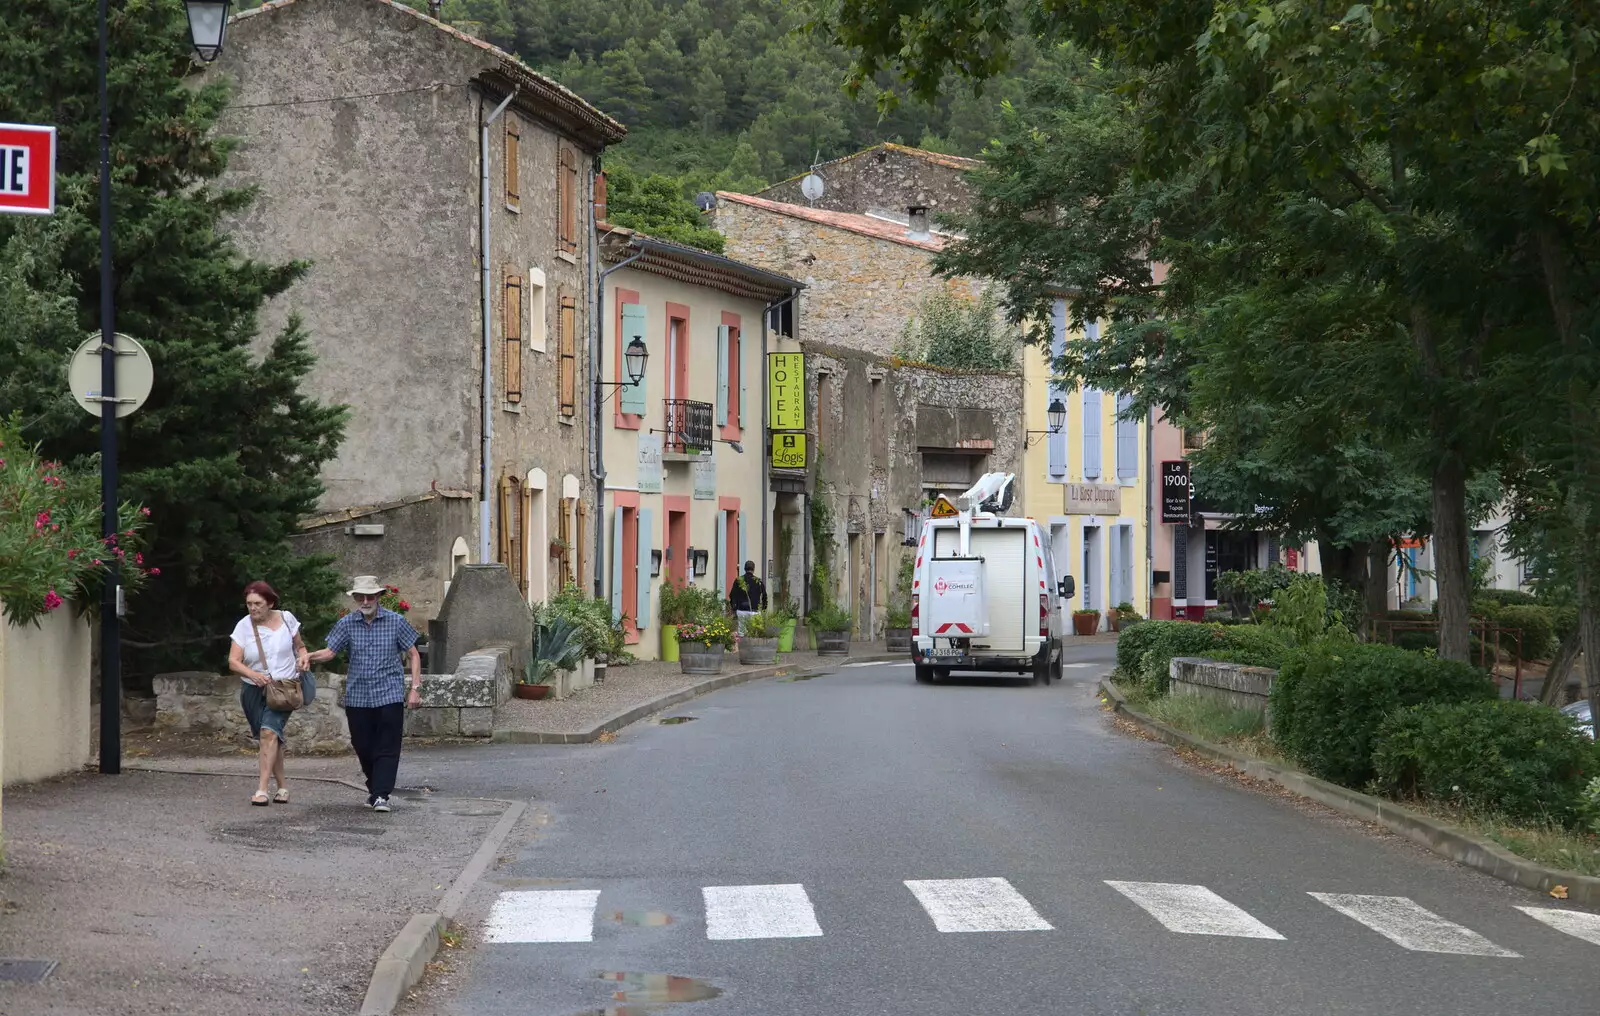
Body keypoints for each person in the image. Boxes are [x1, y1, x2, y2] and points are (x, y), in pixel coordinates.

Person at [305, 575, 421, 813]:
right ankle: (375, 788)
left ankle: (381, 795)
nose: (366, 601)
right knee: (363, 744)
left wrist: (415, 689)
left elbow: (414, 654)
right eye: (362, 597)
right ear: (356, 598)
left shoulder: (396, 621)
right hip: (358, 695)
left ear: (378, 597)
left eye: (371, 596)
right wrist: (309, 656)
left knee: (387, 745)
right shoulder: (347, 623)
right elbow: (330, 652)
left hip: (388, 692)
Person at [227, 581, 310, 807]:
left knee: (268, 734)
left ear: (270, 603)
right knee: (269, 739)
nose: (253, 608)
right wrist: (252, 674)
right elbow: (233, 662)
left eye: (258, 604)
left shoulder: (286, 619)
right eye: (249, 604)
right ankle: (282, 787)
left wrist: (303, 657)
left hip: (283, 688)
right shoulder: (243, 626)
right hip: (252, 690)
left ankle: (262, 790)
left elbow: (300, 647)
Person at [728, 560, 768, 632]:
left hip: (741, 610)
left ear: (744, 569)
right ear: (753, 569)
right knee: (754, 633)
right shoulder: (758, 581)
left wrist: (734, 607)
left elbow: (732, 595)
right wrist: (763, 608)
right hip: (755, 611)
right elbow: (764, 596)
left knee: (742, 632)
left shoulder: (739, 580)